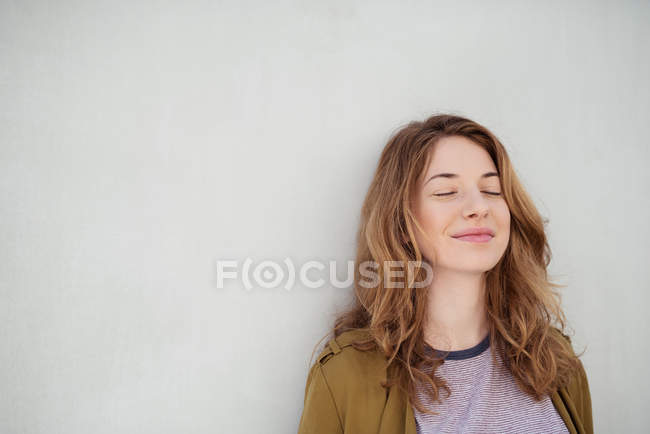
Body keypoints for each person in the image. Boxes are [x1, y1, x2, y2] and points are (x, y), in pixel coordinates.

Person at [297, 114, 593, 434]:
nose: (479, 207)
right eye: (446, 192)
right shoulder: (345, 376)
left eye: (492, 189)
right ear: (402, 224)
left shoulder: (556, 359)